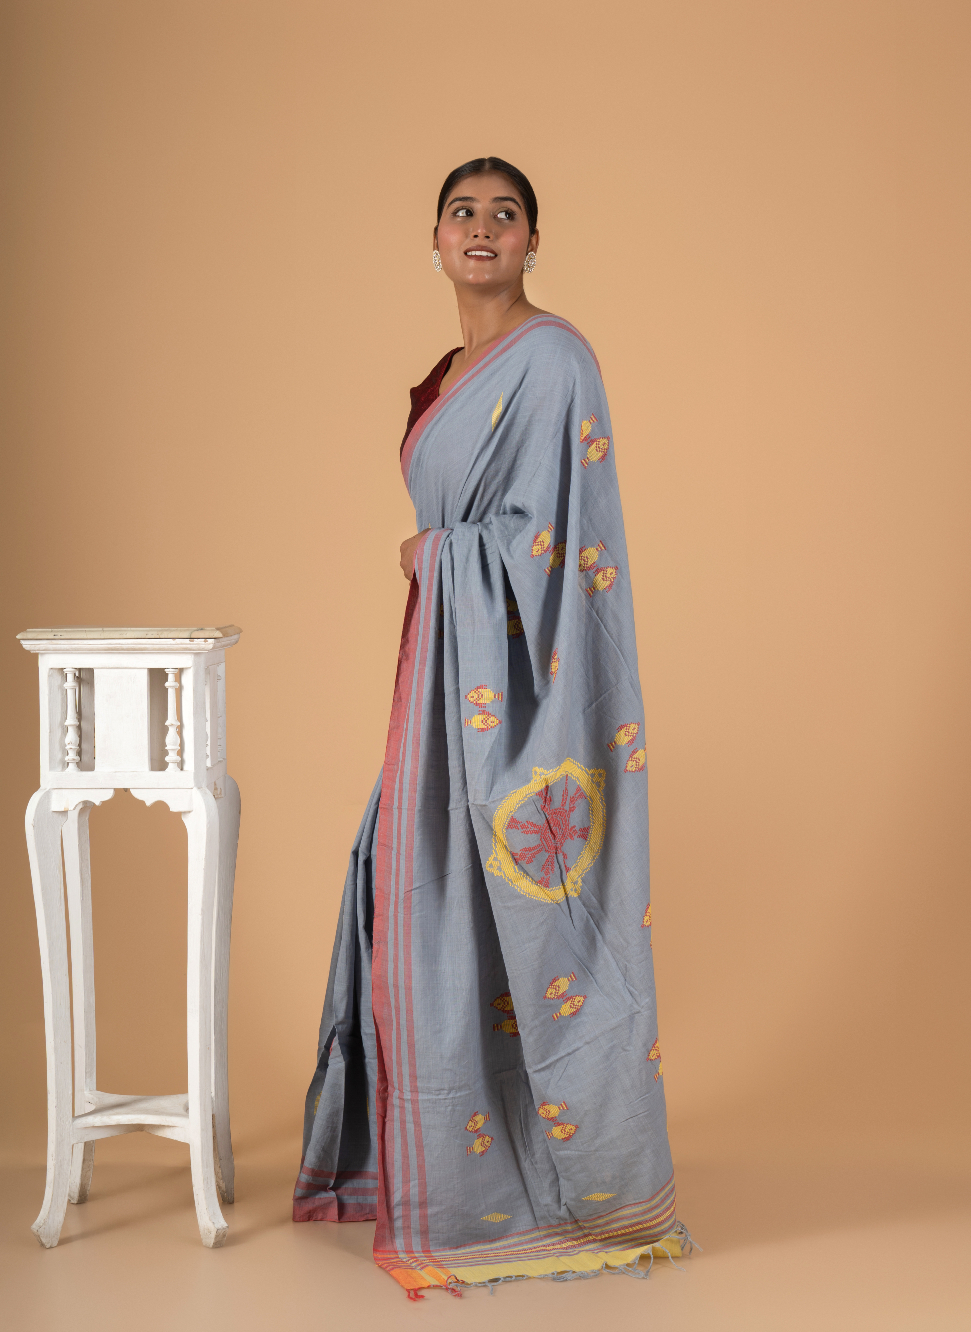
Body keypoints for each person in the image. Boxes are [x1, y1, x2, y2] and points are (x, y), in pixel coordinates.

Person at [293, 156, 688, 1297]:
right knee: (408, 885)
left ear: (531, 243)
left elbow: (559, 542)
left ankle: (578, 1183)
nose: (482, 228)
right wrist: (444, 559)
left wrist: (439, 552)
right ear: (433, 240)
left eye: (504, 214)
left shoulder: (554, 360)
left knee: (514, 898)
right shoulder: (445, 377)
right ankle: (428, 1168)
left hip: (517, 686)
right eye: (461, 213)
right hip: (443, 671)